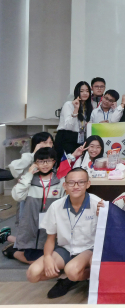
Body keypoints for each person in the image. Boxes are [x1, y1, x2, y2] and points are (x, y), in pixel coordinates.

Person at [26, 168, 104, 299]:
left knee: (72, 271)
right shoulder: (56, 206)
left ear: (88, 184)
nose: (76, 186)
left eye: (81, 182)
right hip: (65, 249)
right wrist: (48, 258)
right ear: (65, 185)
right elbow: (50, 238)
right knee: (33, 274)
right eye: (71, 183)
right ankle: (68, 277)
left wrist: (103, 216)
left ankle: (87, 277)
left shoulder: (98, 204)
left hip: (88, 249)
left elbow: (109, 232)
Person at [9, 148, 65, 265]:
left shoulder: (59, 181)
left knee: (51, 258)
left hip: (50, 230)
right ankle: (12, 252)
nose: (45, 164)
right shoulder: (29, 180)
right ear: (35, 163)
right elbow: (17, 196)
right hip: (31, 229)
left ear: (54, 162)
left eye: (48, 161)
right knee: (35, 260)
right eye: (41, 161)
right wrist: (29, 174)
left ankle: (10, 243)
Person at [54, 81, 93, 162]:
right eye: (82, 91)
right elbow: (68, 126)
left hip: (79, 138)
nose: (85, 93)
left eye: (87, 91)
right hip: (66, 137)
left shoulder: (88, 107)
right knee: (65, 164)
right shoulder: (68, 104)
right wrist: (76, 109)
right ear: (77, 92)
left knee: (77, 164)